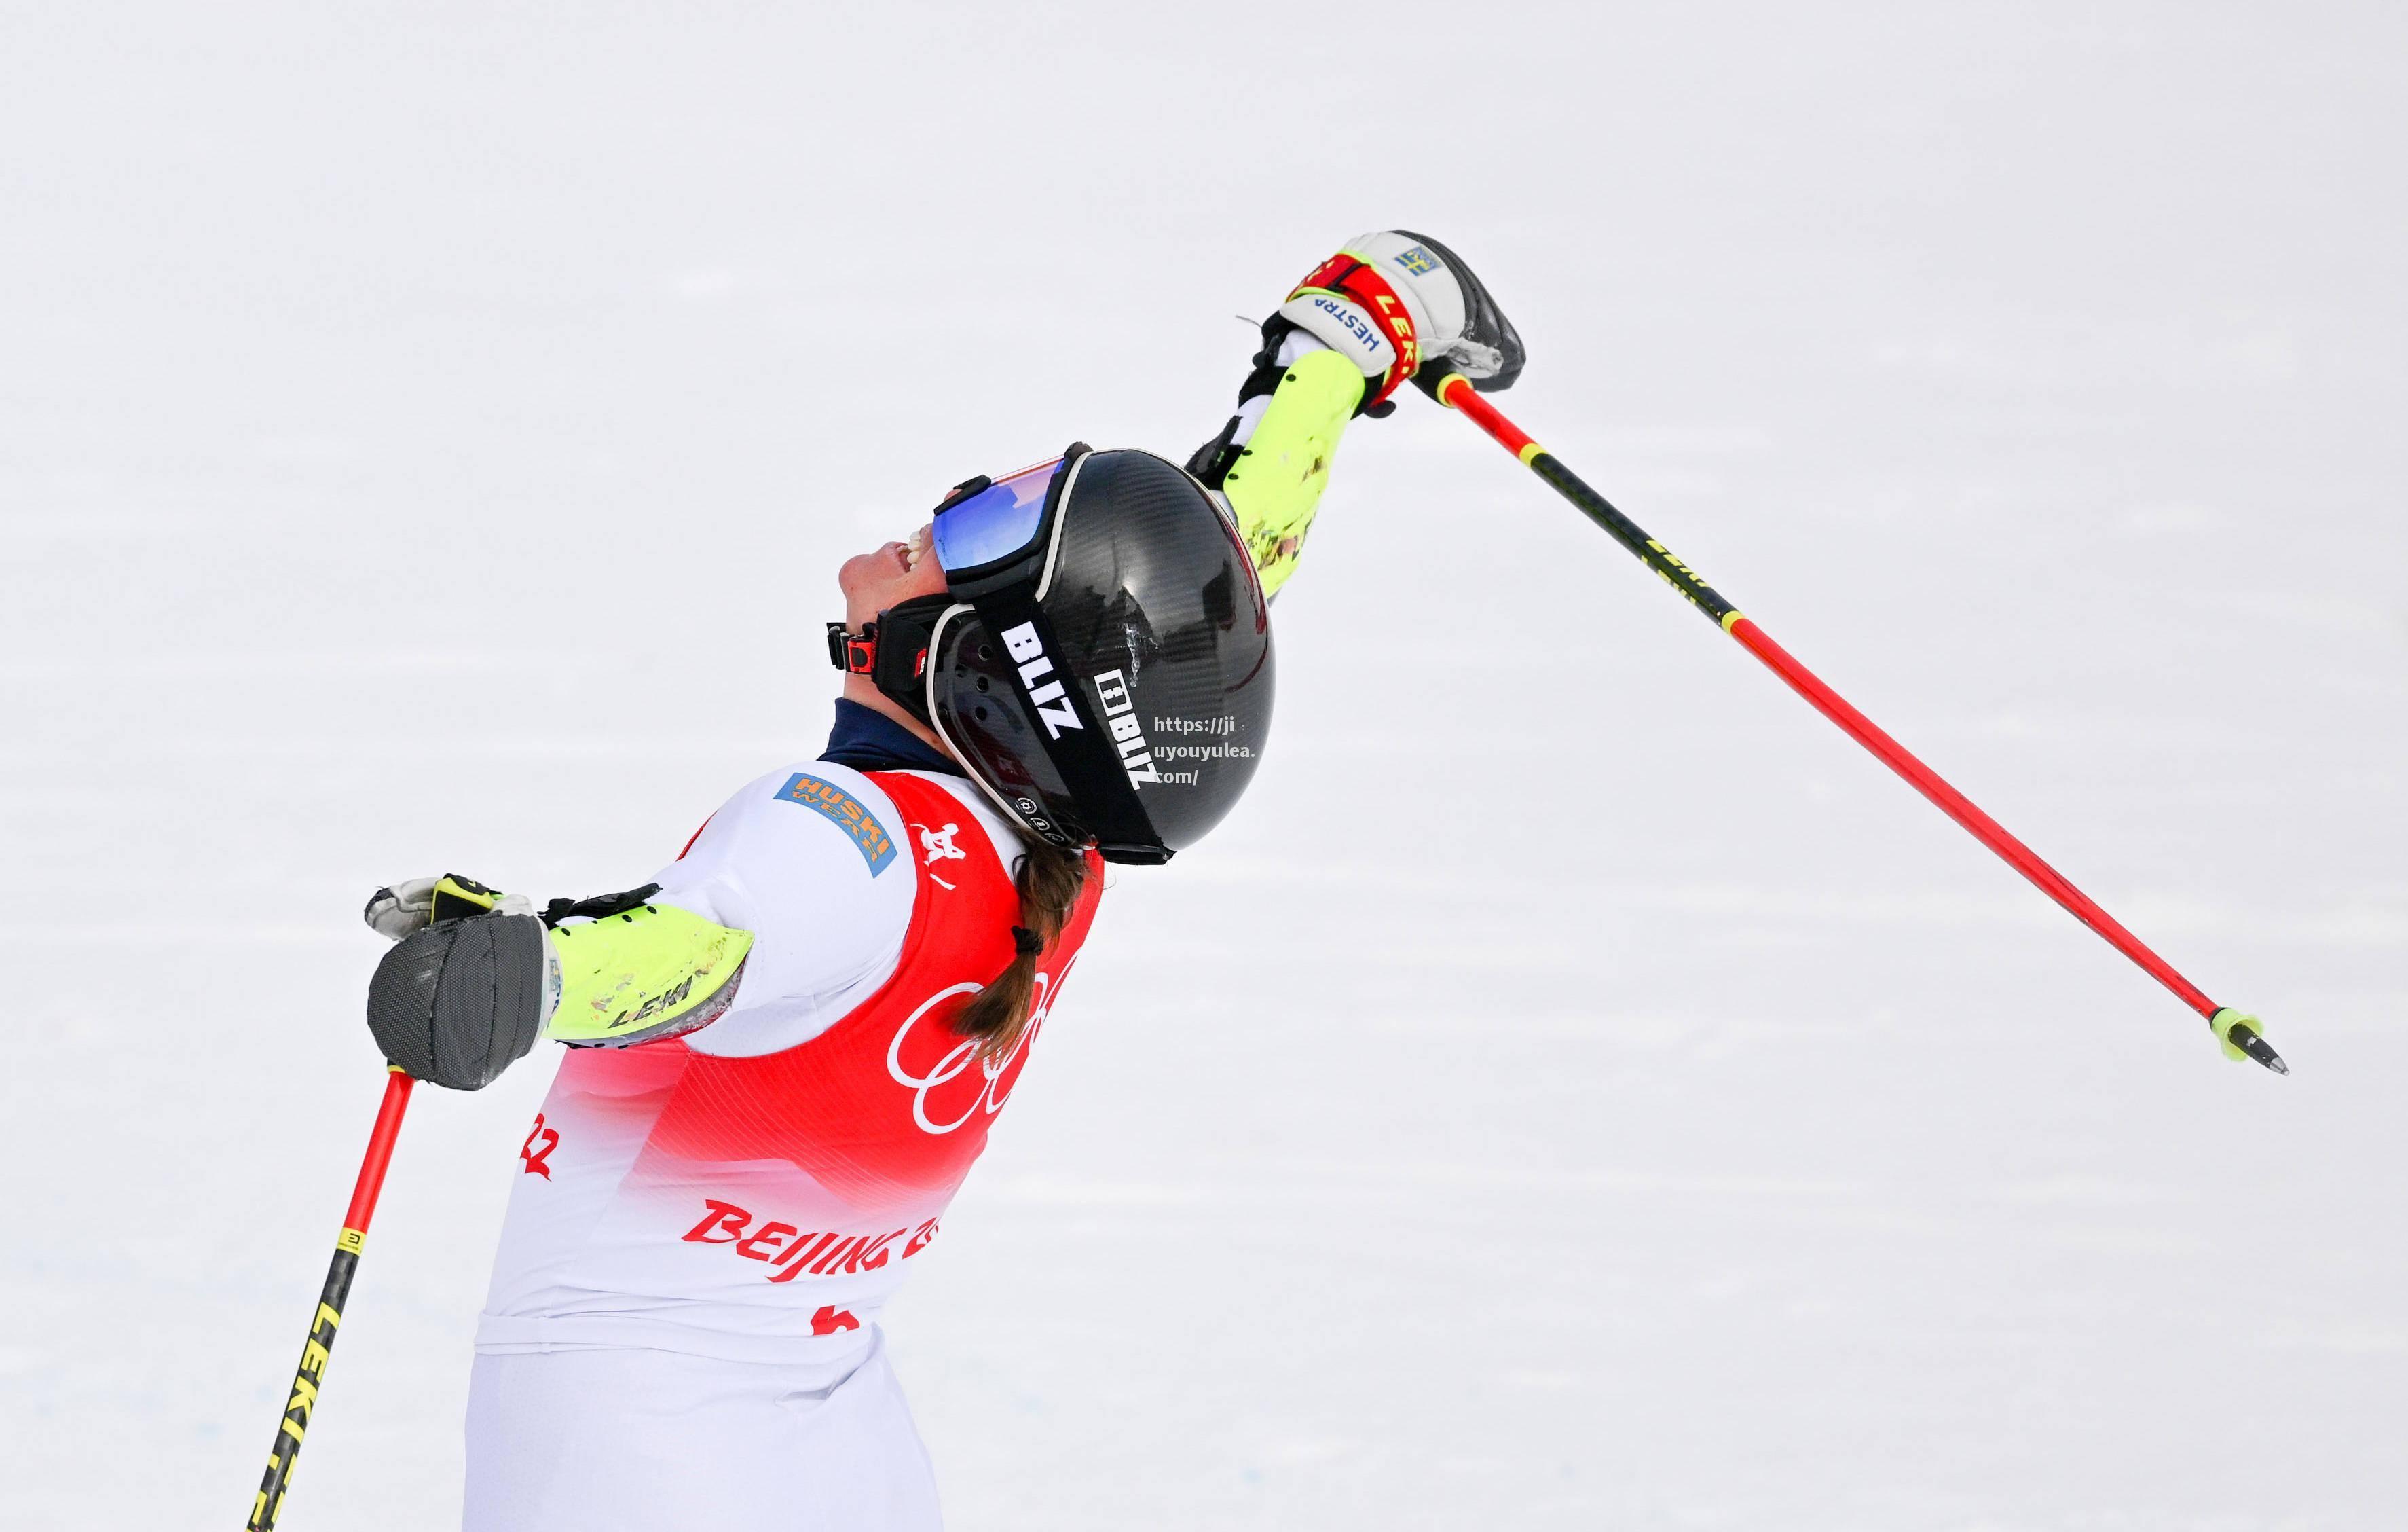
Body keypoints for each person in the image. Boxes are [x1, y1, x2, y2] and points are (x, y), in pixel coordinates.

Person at [357, 231, 1523, 1530]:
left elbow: (698, 953)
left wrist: (532, 971)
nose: (950, 506)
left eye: (974, 532)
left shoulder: (835, 832)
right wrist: (1328, 358)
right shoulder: (1065, 835)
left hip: (631, 1445)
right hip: (835, 1422)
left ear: (969, 657)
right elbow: (1201, 592)